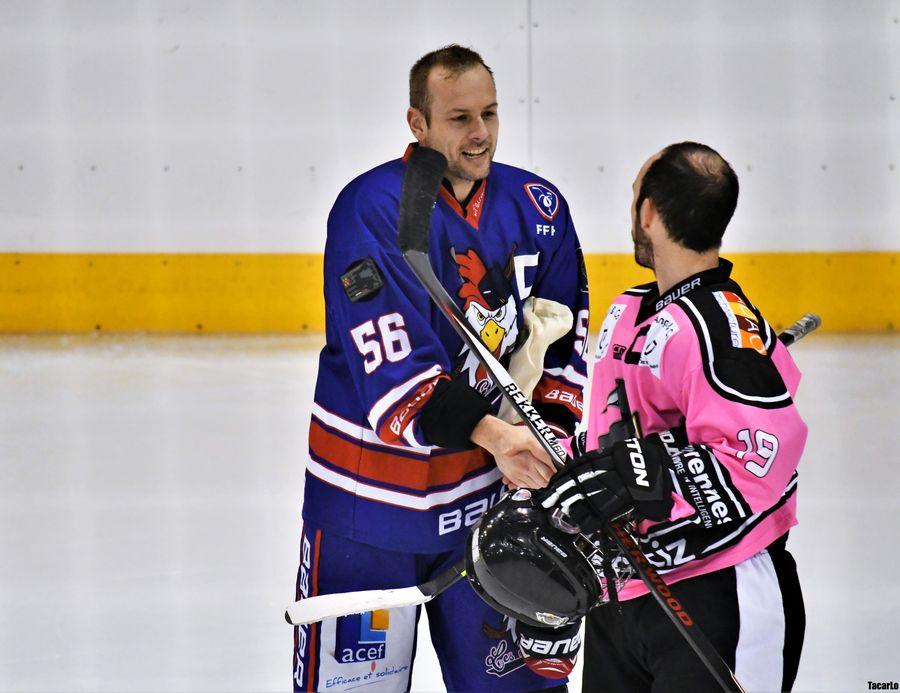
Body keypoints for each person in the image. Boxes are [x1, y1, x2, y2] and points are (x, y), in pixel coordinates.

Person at [293, 45, 590, 692]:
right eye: (458, 118)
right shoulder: (368, 210)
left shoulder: (538, 208)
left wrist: (544, 453)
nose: (479, 133)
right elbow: (397, 375)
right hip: (367, 514)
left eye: (489, 113)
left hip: (493, 512)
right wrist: (500, 437)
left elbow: (567, 344)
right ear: (417, 123)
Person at [536, 142, 807, 691]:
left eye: (636, 193)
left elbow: (763, 462)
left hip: (717, 597)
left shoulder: (720, 330)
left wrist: (641, 476)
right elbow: (612, 439)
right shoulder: (626, 311)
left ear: (650, 212)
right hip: (624, 592)